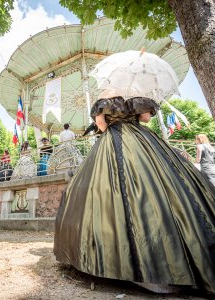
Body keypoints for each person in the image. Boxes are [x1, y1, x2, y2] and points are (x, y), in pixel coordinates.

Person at [54, 91, 215, 294]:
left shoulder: (103, 100)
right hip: (141, 142)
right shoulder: (132, 97)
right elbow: (146, 118)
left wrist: (110, 124)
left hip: (112, 140)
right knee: (164, 186)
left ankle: (127, 264)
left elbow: (102, 125)